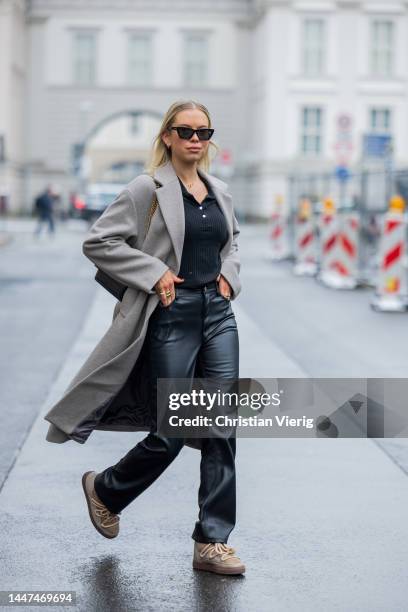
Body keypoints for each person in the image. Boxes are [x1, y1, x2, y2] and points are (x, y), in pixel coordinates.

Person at [81, 100, 245, 575]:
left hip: (217, 315)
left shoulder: (220, 191)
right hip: (170, 317)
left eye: (204, 132)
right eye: (186, 131)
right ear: (168, 136)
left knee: (220, 429)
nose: (196, 139)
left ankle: (212, 541)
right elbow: (99, 242)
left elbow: (232, 242)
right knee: (171, 430)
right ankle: (106, 490)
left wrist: (230, 275)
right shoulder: (144, 189)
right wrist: (153, 272)